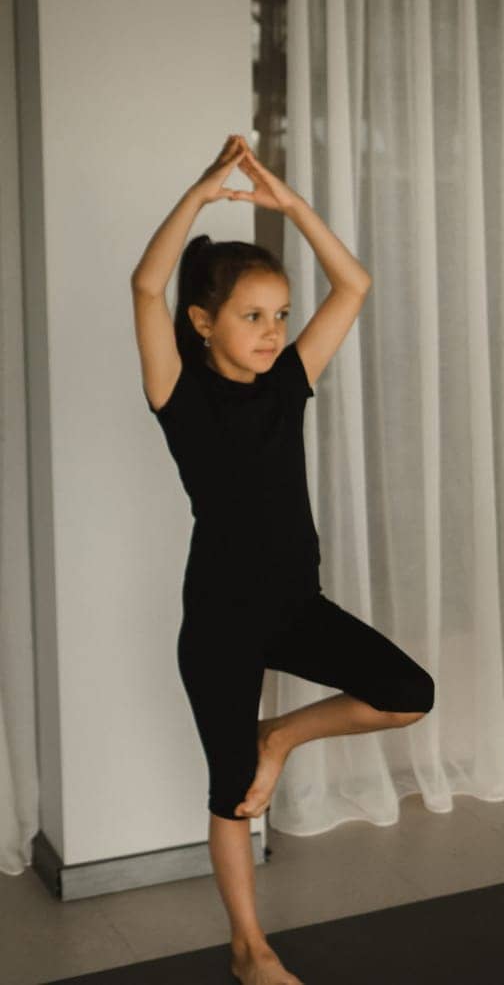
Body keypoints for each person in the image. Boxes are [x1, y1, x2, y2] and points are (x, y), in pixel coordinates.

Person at [132, 136, 434, 985]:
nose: (273, 332)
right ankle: (249, 949)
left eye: (280, 315)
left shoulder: (289, 380)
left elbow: (356, 286)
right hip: (220, 619)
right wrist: (201, 191)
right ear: (203, 323)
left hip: (297, 605)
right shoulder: (178, 394)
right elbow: (146, 284)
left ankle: (283, 737)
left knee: (409, 693)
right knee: (231, 789)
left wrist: (288, 204)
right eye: (252, 315)